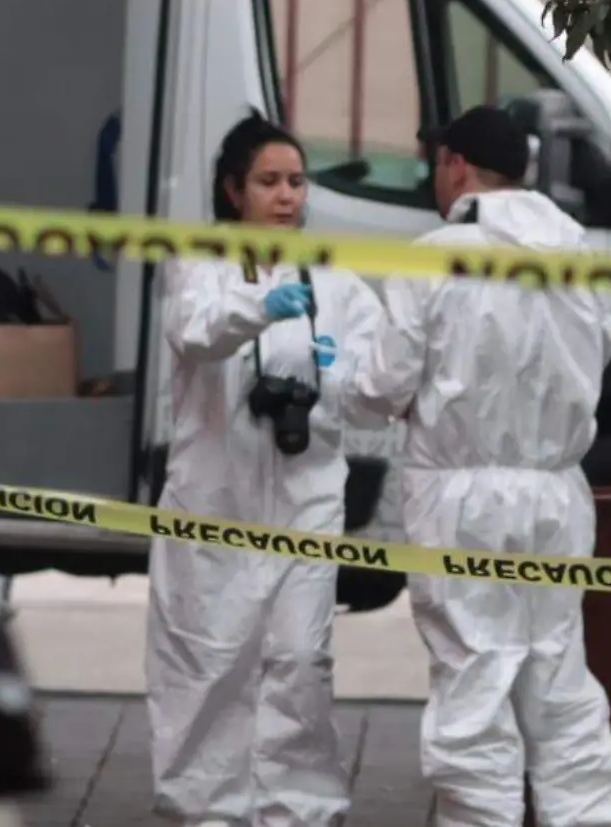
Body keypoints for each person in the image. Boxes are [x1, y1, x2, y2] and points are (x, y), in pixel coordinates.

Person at [342, 104, 611, 827]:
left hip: (460, 498)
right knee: (559, 686)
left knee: (474, 690)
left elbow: (379, 387)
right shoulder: (575, 254)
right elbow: (602, 352)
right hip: (558, 495)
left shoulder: (434, 257)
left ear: (455, 165)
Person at [146, 115, 388, 827]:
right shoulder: (201, 263)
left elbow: (371, 370)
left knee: (300, 658)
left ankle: (299, 808)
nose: (286, 196)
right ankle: (206, 807)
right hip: (213, 499)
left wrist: (342, 380)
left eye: (295, 181)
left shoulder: (332, 278)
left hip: (306, 494)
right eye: (269, 181)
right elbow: (197, 330)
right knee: (208, 659)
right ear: (233, 190)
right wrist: (260, 306)